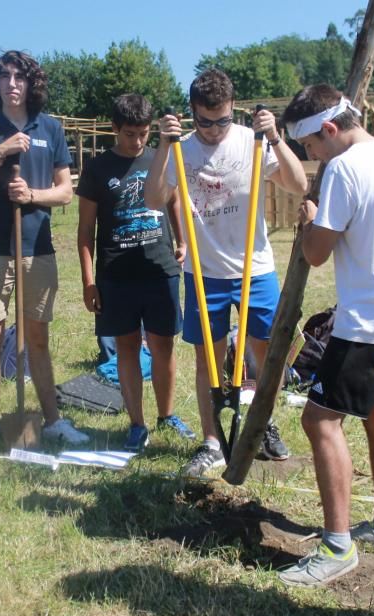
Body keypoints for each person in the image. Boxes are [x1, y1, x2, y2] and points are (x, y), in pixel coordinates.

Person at [273, 85, 374, 587]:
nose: (311, 158)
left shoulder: (343, 170)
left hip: (365, 321)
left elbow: (315, 253)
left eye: (310, 146)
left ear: (329, 130)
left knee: (319, 421)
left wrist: (310, 221)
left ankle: (337, 547)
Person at [145, 68, 308, 475]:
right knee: (208, 361)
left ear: (233, 110)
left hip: (255, 267)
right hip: (206, 271)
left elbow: (298, 182)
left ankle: (260, 424)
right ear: (192, 113)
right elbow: (153, 198)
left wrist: (274, 137)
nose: (215, 130)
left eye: (222, 120)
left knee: (265, 356)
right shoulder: (182, 148)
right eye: (205, 121)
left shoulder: (251, 140)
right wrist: (165, 144)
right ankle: (212, 441)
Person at [0, 50, 89, 453]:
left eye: (19, 77)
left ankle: (52, 422)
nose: (11, 84)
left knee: (38, 336)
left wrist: (31, 194)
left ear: (31, 84)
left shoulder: (49, 127)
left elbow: (66, 191)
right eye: (4, 76)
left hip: (37, 245)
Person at [76, 93, 196, 452]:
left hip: (160, 270)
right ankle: (137, 424)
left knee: (163, 346)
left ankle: (167, 415)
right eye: (130, 133)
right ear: (115, 129)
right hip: (116, 274)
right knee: (126, 349)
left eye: (144, 133)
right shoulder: (97, 169)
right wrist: (88, 281)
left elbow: (174, 201)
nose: (138, 141)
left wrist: (183, 242)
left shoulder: (162, 158)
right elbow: (85, 232)